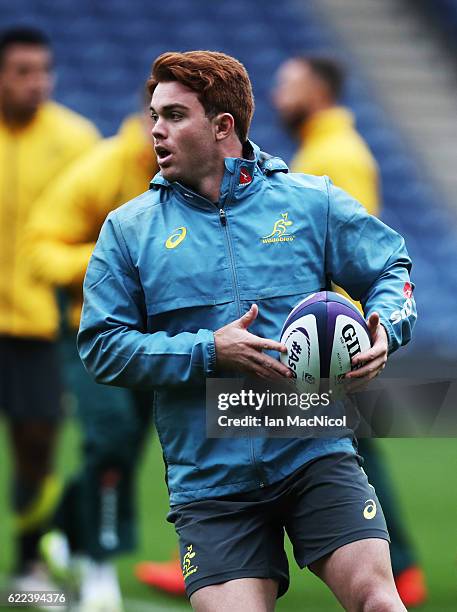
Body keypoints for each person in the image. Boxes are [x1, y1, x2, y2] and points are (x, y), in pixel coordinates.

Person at [78, 50, 416, 611]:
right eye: (154, 114)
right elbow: (102, 348)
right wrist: (210, 351)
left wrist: (386, 328)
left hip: (313, 449)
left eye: (174, 115)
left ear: (222, 126)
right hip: (210, 482)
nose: (155, 129)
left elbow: (391, 268)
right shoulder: (128, 230)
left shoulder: (311, 202)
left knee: (379, 602)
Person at [273, 55, 427, 608]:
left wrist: (337, 337)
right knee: (349, 450)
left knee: (334, 451)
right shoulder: (324, 148)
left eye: (288, 84)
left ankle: (396, 567)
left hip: (328, 340)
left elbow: (356, 247)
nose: (277, 93)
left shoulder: (337, 155)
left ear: (317, 90)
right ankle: (401, 567)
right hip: (328, 337)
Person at [25, 105, 158, 611]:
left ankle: (60, 526)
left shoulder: (193, 175)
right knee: (109, 436)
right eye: (161, 115)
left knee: (125, 445)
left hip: (155, 339)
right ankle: (98, 560)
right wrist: (112, 256)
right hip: (93, 332)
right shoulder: (103, 167)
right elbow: (41, 250)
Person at [0, 26, 99, 591]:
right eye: (23, 72)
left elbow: (101, 229)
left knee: (36, 446)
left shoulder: (77, 139)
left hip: (42, 325)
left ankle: (28, 563)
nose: (37, 83)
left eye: (44, 70)